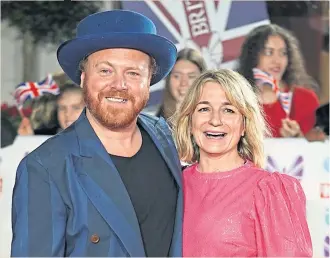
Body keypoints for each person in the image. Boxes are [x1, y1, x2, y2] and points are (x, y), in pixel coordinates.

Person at [11, 10, 182, 257]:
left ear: (149, 82)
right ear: (83, 78)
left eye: (133, 73)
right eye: (105, 71)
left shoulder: (169, 139)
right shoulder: (45, 167)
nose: (119, 84)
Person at [172, 69, 312, 257]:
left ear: (244, 125)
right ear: (189, 121)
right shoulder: (172, 184)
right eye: (204, 109)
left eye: (228, 110)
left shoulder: (268, 191)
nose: (215, 120)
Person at [237, 24, 319, 138]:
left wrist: (297, 138)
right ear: (253, 57)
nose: (277, 61)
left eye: (283, 53)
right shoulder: (236, 101)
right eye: (269, 52)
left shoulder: (306, 99)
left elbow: (318, 151)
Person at [156, 47, 207, 120]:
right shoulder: (157, 124)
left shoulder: (216, 120)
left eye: (191, 76)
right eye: (177, 76)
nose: (183, 83)